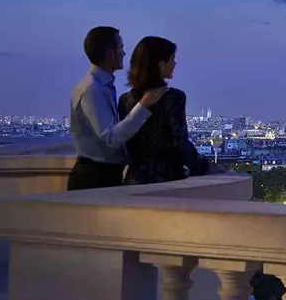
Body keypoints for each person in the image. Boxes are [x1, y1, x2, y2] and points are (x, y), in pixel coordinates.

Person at [67, 26, 168, 191]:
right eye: (121, 47)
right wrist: (144, 105)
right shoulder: (92, 89)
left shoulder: (99, 86)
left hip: (101, 175)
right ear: (110, 53)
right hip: (94, 178)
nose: (124, 53)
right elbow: (111, 138)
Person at [118, 36, 209, 184]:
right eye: (172, 59)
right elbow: (180, 143)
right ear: (161, 64)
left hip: (134, 178)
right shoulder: (173, 98)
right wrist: (204, 166)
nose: (175, 63)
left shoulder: (125, 100)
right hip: (166, 177)